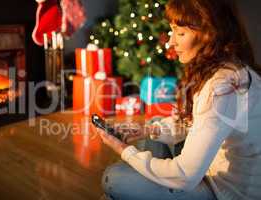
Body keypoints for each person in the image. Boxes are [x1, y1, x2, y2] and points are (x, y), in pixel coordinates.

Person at [97, 0, 261, 199]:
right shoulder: (224, 69)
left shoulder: (223, 86)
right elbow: (195, 123)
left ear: (209, 34)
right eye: (172, 31)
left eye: (180, 33)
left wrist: (124, 150)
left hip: (228, 192)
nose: (170, 42)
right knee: (155, 125)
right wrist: (146, 131)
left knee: (113, 178)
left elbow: (186, 174)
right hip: (210, 173)